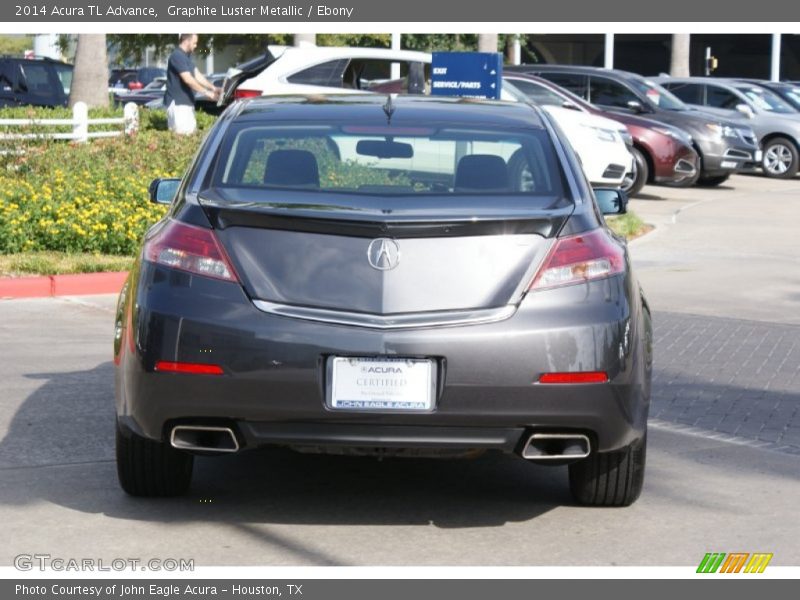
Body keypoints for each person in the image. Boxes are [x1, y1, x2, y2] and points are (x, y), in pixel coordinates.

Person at [165, 34, 220, 135]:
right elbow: (188, 79)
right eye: (194, 43)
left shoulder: (186, 57)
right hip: (178, 106)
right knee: (182, 140)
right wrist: (207, 93)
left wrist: (214, 88)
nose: (196, 46)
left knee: (190, 136)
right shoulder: (177, 56)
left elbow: (197, 75)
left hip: (186, 105)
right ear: (187, 40)